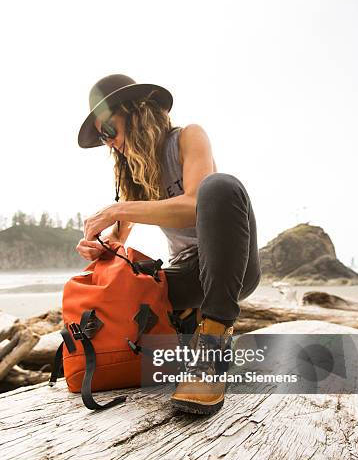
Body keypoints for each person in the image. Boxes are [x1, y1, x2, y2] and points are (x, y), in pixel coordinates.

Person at [77, 74, 261, 415]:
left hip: (230, 269)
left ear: (135, 112)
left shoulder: (188, 138)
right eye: (102, 138)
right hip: (187, 277)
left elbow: (194, 204)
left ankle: (213, 346)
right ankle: (178, 330)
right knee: (129, 283)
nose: (108, 143)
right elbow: (119, 240)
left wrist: (117, 208)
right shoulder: (131, 172)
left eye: (108, 130)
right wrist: (100, 247)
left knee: (219, 187)